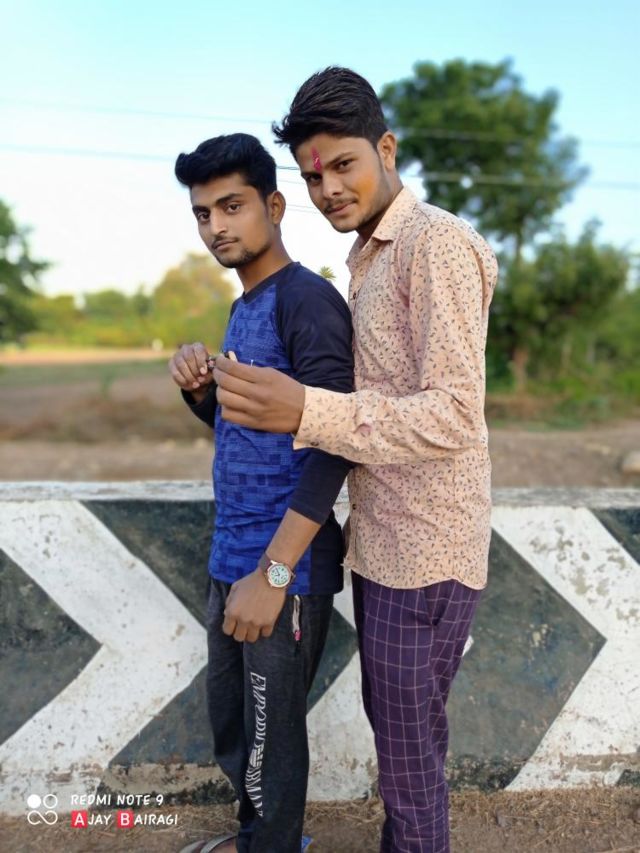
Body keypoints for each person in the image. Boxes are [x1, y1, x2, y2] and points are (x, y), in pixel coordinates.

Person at [212, 69, 499, 853]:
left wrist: (309, 409)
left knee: (409, 767)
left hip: (428, 548)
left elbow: (454, 414)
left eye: (344, 164)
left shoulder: (434, 243)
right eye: (313, 176)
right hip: (387, 545)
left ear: (386, 148)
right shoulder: (370, 258)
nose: (328, 189)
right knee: (404, 752)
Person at [169, 133, 353, 853]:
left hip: (283, 569)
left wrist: (274, 575)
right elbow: (249, 432)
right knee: (235, 729)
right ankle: (256, 840)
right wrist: (201, 395)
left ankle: (274, 845)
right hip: (231, 556)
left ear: (274, 207)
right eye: (203, 213)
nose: (216, 225)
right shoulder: (245, 304)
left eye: (232, 206)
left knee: (272, 743)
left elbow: (335, 442)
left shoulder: (307, 301)